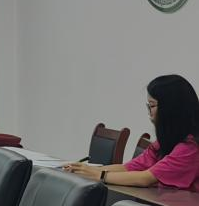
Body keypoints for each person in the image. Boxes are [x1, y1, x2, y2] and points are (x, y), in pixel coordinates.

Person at [66, 74, 199, 191]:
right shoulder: (167, 141)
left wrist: (99, 175)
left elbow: (145, 178)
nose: (149, 112)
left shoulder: (190, 147)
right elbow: (129, 167)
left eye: (152, 105)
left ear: (171, 109)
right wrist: (85, 170)